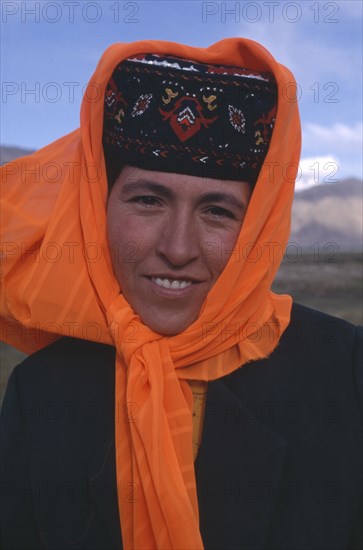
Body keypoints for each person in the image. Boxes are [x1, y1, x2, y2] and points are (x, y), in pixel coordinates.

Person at [1, 38, 362, 550]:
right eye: (148, 200)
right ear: (97, 208)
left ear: (260, 224)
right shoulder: (40, 393)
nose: (176, 248)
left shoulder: (346, 374)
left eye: (217, 211)